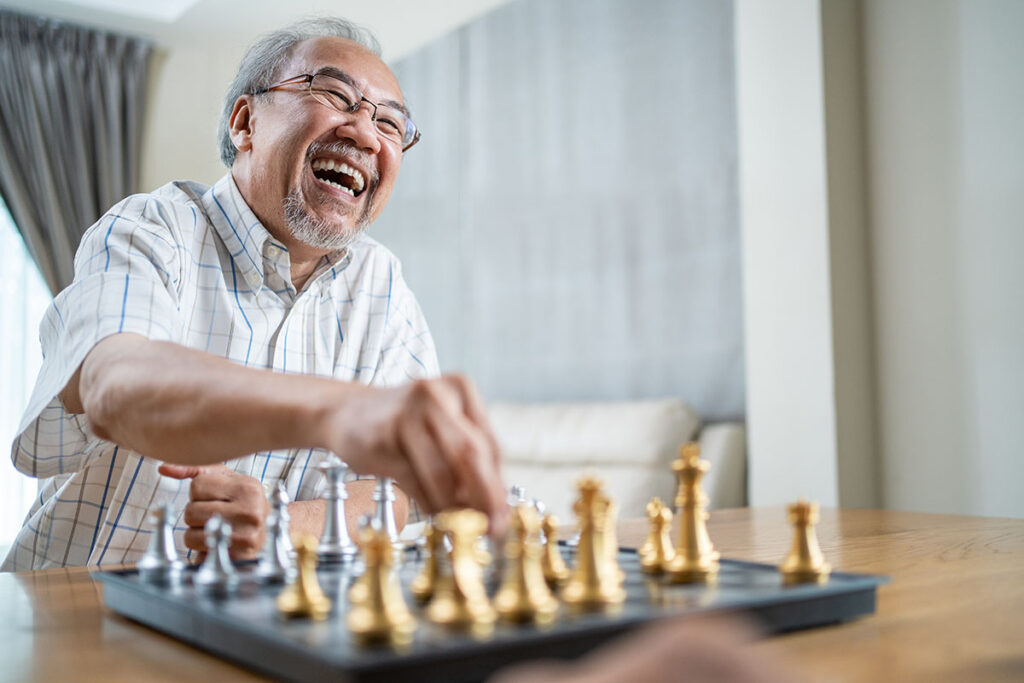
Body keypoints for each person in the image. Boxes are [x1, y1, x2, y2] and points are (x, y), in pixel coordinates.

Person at [2, 17, 506, 571]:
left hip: (257, 628)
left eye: (390, 124)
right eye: (335, 95)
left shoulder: (381, 284)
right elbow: (112, 383)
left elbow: (390, 494)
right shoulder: (152, 227)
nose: (365, 135)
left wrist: (280, 522)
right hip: (76, 615)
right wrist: (339, 412)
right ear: (245, 123)